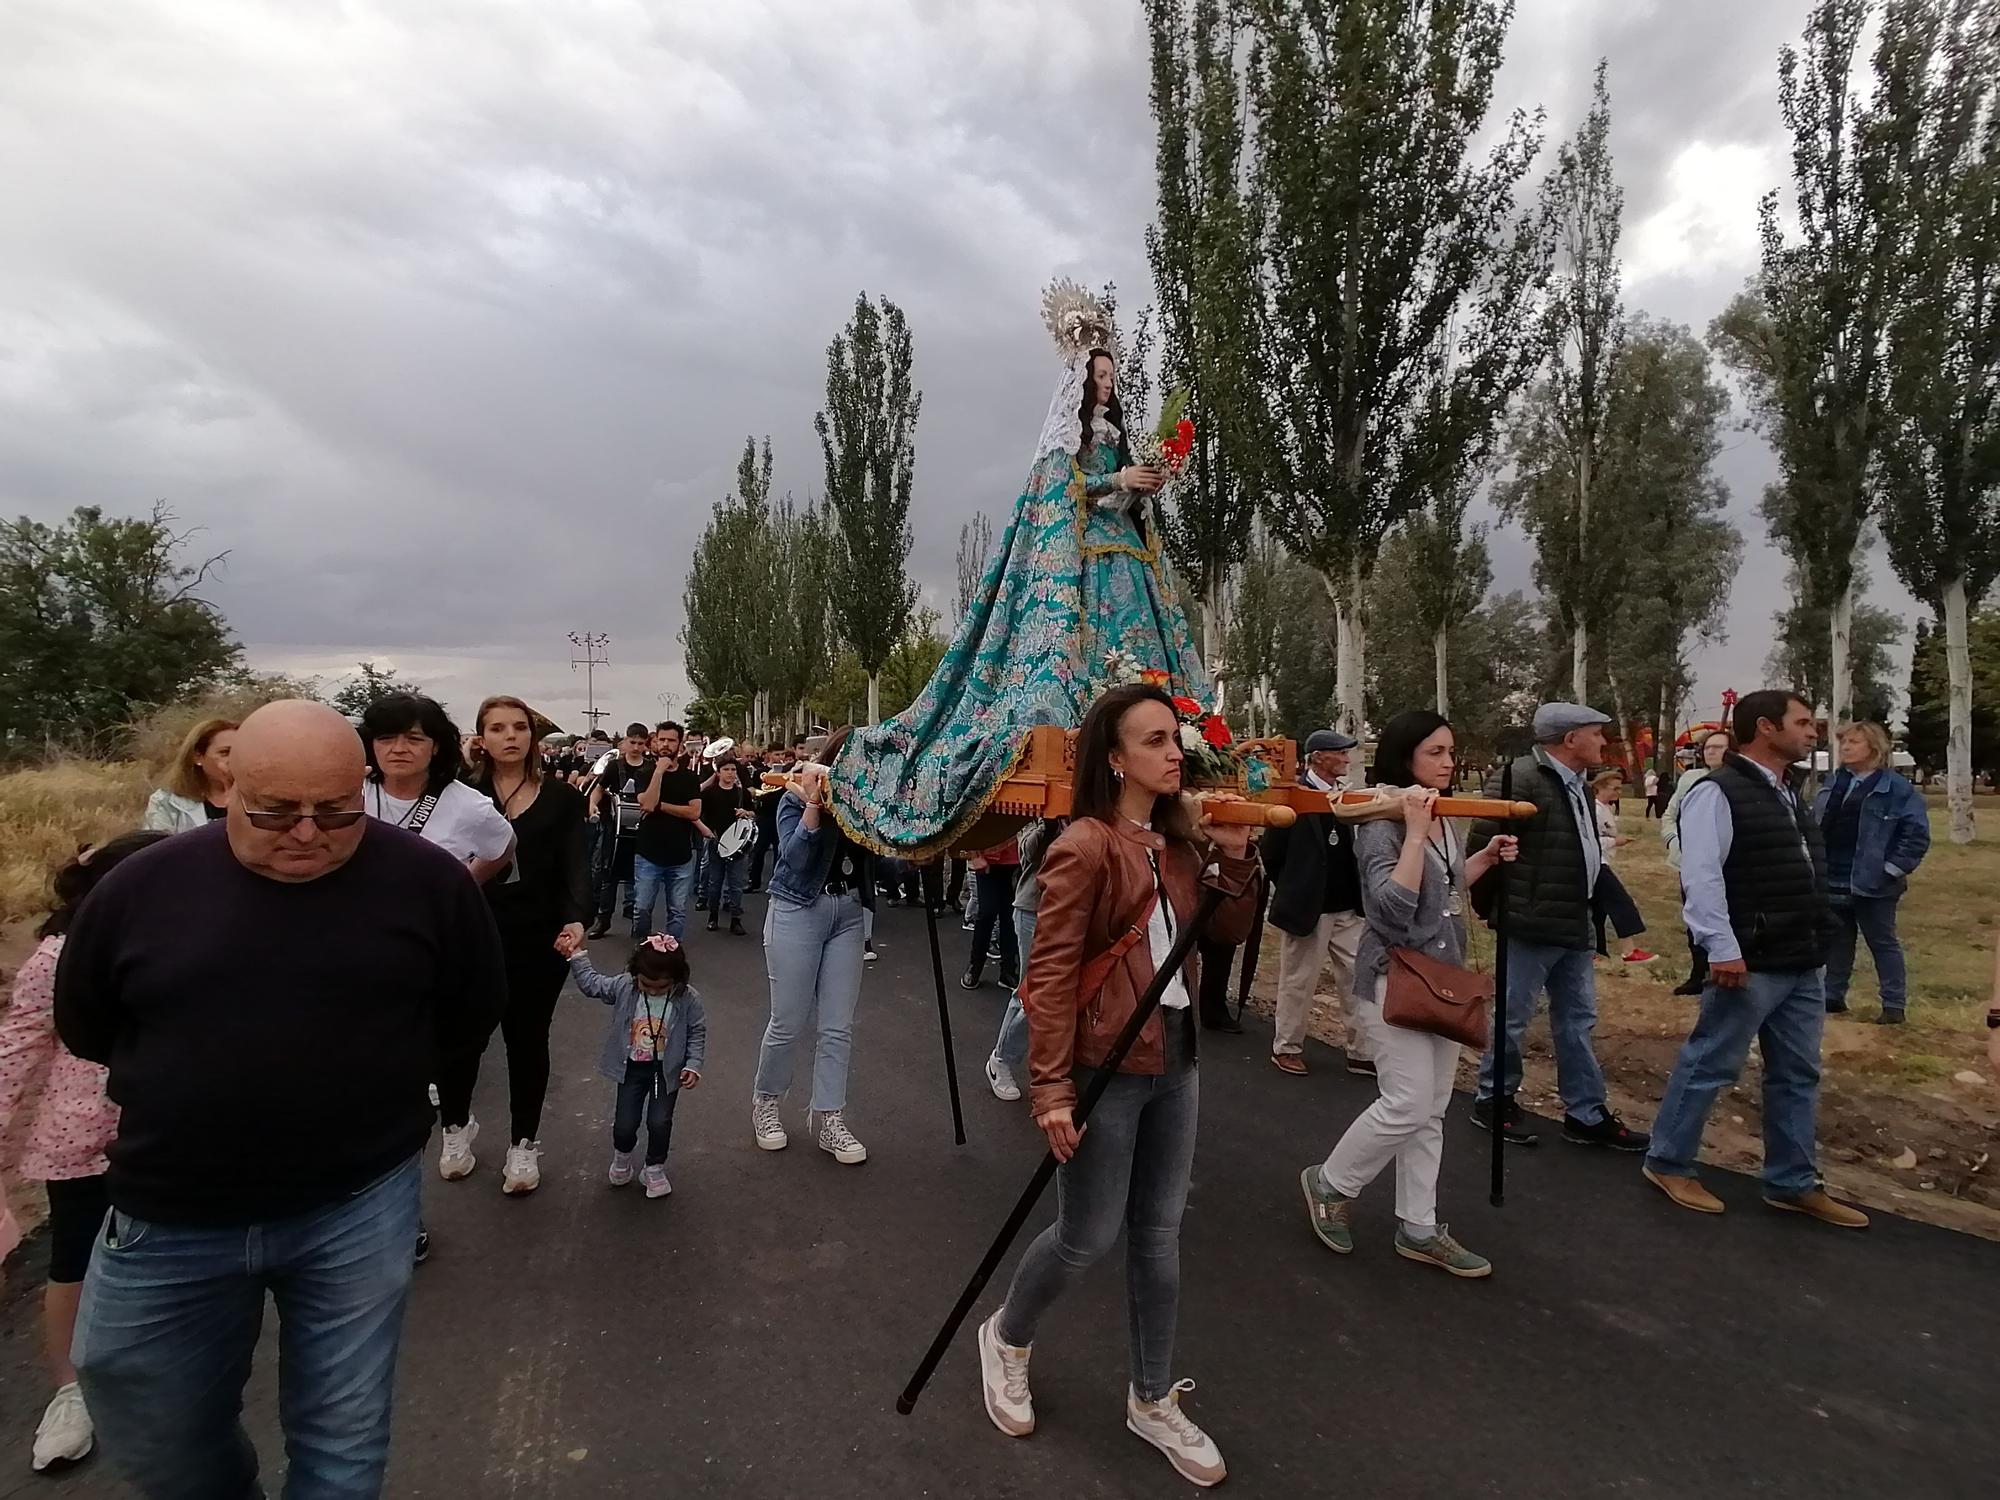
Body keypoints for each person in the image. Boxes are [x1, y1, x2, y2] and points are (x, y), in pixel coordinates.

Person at [53, 700, 505, 1498]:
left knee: (343, 1437)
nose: (306, 833)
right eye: (276, 812)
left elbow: (467, 1014)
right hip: (172, 1212)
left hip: (356, 1205)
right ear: (225, 785)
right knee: (151, 1420)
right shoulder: (141, 889)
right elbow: (89, 1026)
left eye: (335, 812)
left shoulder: (426, 884)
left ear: (361, 785)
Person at [976, 684, 1260, 1488]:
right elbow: (1052, 975)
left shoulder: (1179, 845)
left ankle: (1151, 1397)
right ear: (1114, 757)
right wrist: (1051, 1089)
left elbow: (1229, 936)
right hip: (1106, 1066)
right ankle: (1007, 1336)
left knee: (1159, 1241)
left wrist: (1236, 856)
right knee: (1087, 1237)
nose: (1175, 752)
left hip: (1177, 1061)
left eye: (1176, 738)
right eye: (1155, 740)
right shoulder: (1085, 845)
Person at [830, 283, 1208, 862]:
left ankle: (1157, 717)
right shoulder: (1065, 442)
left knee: (1137, 639)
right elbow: (1062, 492)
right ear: (1081, 383)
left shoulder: (1116, 435)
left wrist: (1143, 485)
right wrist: (1115, 481)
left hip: (1125, 554)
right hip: (1081, 559)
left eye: (1111, 377)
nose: (1107, 386)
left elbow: (1120, 499)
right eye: (1098, 377)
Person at [1299, 710, 1519, 1278]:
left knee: (1431, 1111)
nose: (1449, 762)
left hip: (1441, 980)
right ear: (1405, 757)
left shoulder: (1440, 815)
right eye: (1436, 753)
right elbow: (1392, 911)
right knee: (1406, 1103)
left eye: (1451, 751)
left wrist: (1484, 859)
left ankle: (1419, 1227)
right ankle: (1329, 1183)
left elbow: (1439, 891)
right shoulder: (1383, 819)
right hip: (1392, 978)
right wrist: (1415, 833)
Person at [1641, 690, 1869, 1228]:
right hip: (1751, 959)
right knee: (1710, 1065)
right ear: (1765, 728)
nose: (1813, 732)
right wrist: (1721, 947)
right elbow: (1701, 876)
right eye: (1803, 723)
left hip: (1801, 956)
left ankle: (1792, 1182)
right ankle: (1668, 1162)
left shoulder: (1790, 791)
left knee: (1797, 1074)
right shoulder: (1718, 792)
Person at [0, 831, 167, 1472]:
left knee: (167, 1255)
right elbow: (19, 1041)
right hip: (81, 1138)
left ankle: (158, 1373)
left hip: (170, 1130)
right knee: (74, 1257)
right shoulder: (59, 958)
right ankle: (71, 1390)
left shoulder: (188, 947)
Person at [1467, 703, 1649, 1152]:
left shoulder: (1580, 789)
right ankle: (1494, 1097)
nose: (1603, 743)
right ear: (1571, 739)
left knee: (1578, 1020)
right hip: (1530, 923)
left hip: (1575, 921)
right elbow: (1481, 847)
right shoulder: (1517, 780)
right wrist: (1497, 909)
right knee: (1512, 1016)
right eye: (1597, 733)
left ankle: (1585, 1113)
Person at [440, 695, 591, 1197]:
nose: (510, 736)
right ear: (480, 737)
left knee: (527, 1040)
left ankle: (524, 1143)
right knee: (463, 1038)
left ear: (532, 736)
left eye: (519, 727)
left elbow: (575, 863)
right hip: (471, 932)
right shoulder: (457, 794)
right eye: (497, 727)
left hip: (538, 934)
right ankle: (456, 1128)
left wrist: (575, 918)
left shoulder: (563, 798)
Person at [753, 729, 873, 1163]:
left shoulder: (867, 804)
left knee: (838, 1026)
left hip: (848, 911)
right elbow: (793, 857)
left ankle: (830, 1117)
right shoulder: (792, 794)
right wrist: (813, 806)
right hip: (797, 908)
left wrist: (920, 851)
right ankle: (767, 1102)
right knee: (787, 1021)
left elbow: (884, 860)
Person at [562, 933, 707, 1199]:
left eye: (661, 987)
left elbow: (697, 1031)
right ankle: (622, 1157)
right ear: (635, 974)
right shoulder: (625, 987)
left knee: (660, 1121)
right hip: (631, 1070)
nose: (652, 991)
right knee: (625, 1123)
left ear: (676, 980)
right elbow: (593, 985)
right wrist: (577, 956)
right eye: (646, 984)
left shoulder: (688, 998)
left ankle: (654, 1167)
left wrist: (693, 1064)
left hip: (665, 1073)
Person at [1264, 728, 1370, 1077]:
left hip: (1347, 908)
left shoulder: (1345, 797)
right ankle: (1287, 1047)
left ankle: (1361, 1051)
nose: (1346, 759)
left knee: (1358, 979)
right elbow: (1272, 852)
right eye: (1340, 753)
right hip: (1308, 908)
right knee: (1299, 981)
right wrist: (1295, 889)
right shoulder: (1292, 796)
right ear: (1319, 757)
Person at [1813, 720, 1930, 1023]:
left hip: (1873, 879)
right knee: (1838, 938)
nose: (1846, 748)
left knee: (1882, 942)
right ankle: (1833, 996)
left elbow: (1915, 835)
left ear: (1874, 748)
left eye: (1854, 742)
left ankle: (1893, 1005)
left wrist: (1890, 870)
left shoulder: (1895, 788)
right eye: (1844, 742)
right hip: (1832, 874)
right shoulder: (1833, 781)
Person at [359, 693, 516, 884]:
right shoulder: (351, 791)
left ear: (436, 746)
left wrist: (465, 886)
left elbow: (505, 844)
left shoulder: (469, 805)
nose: (399, 748)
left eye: (414, 739)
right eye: (386, 739)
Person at [983, 817, 1064, 1102]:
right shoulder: (1040, 812)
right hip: (1034, 911)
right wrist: (1050, 825)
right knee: (1031, 994)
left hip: (1072, 913)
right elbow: (1027, 853)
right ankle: (1001, 1060)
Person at [1663, 730, 1733, 994]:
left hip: (1727, 864)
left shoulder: (1738, 781)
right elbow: (1670, 814)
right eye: (1707, 747)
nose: (1711, 751)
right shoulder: (1691, 778)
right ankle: (1698, 971)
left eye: (1719, 747)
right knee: (1695, 916)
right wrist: (1674, 844)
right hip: (1689, 863)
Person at [633, 722, 704, 944]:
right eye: (661, 739)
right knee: (642, 907)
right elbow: (646, 804)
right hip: (648, 853)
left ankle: (673, 949)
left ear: (679, 744)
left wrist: (660, 806)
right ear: (655, 742)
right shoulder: (644, 772)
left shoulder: (689, 777)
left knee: (678, 909)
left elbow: (694, 812)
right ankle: (642, 947)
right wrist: (659, 771)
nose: (665, 744)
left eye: (671, 740)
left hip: (680, 856)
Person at [588, 723, 656, 938]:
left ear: (646, 745)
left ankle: (638, 921)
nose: (636, 747)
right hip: (614, 826)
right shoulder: (614, 766)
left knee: (640, 875)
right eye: (632, 742)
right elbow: (598, 789)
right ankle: (603, 919)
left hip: (642, 828)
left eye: (640, 743)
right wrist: (592, 805)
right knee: (609, 874)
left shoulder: (651, 768)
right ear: (626, 741)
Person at [1593, 770, 1658, 965]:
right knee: (1621, 902)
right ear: (1599, 788)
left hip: (1601, 861)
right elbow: (1590, 840)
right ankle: (1628, 950)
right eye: (1615, 788)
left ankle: (1596, 950)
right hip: (1597, 862)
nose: (1619, 792)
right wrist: (1614, 841)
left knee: (1597, 908)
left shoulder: (1605, 808)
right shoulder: (1594, 810)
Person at [141, 717, 237, 832]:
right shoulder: (166, 802)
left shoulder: (257, 797)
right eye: (225, 752)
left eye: (239, 751)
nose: (234, 758)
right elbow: (157, 847)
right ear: (197, 756)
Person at [699, 757, 755, 935]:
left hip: (737, 842)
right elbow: (700, 814)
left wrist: (747, 813)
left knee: (736, 883)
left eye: (733, 769)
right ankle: (713, 916)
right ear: (719, 772)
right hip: (716, 841)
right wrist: (707, 831)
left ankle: (735, 919)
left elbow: (753, 813)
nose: (730, 773)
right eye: (726, 769)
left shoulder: (741, 793)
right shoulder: (709, 793)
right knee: (715, 882)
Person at [961, 837, 1021, 990]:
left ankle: (1008, 970)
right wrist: (974, 855)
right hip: (989, 857)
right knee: (987, 913)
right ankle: (975, 964)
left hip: (1017, 858)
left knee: (1011, 917)